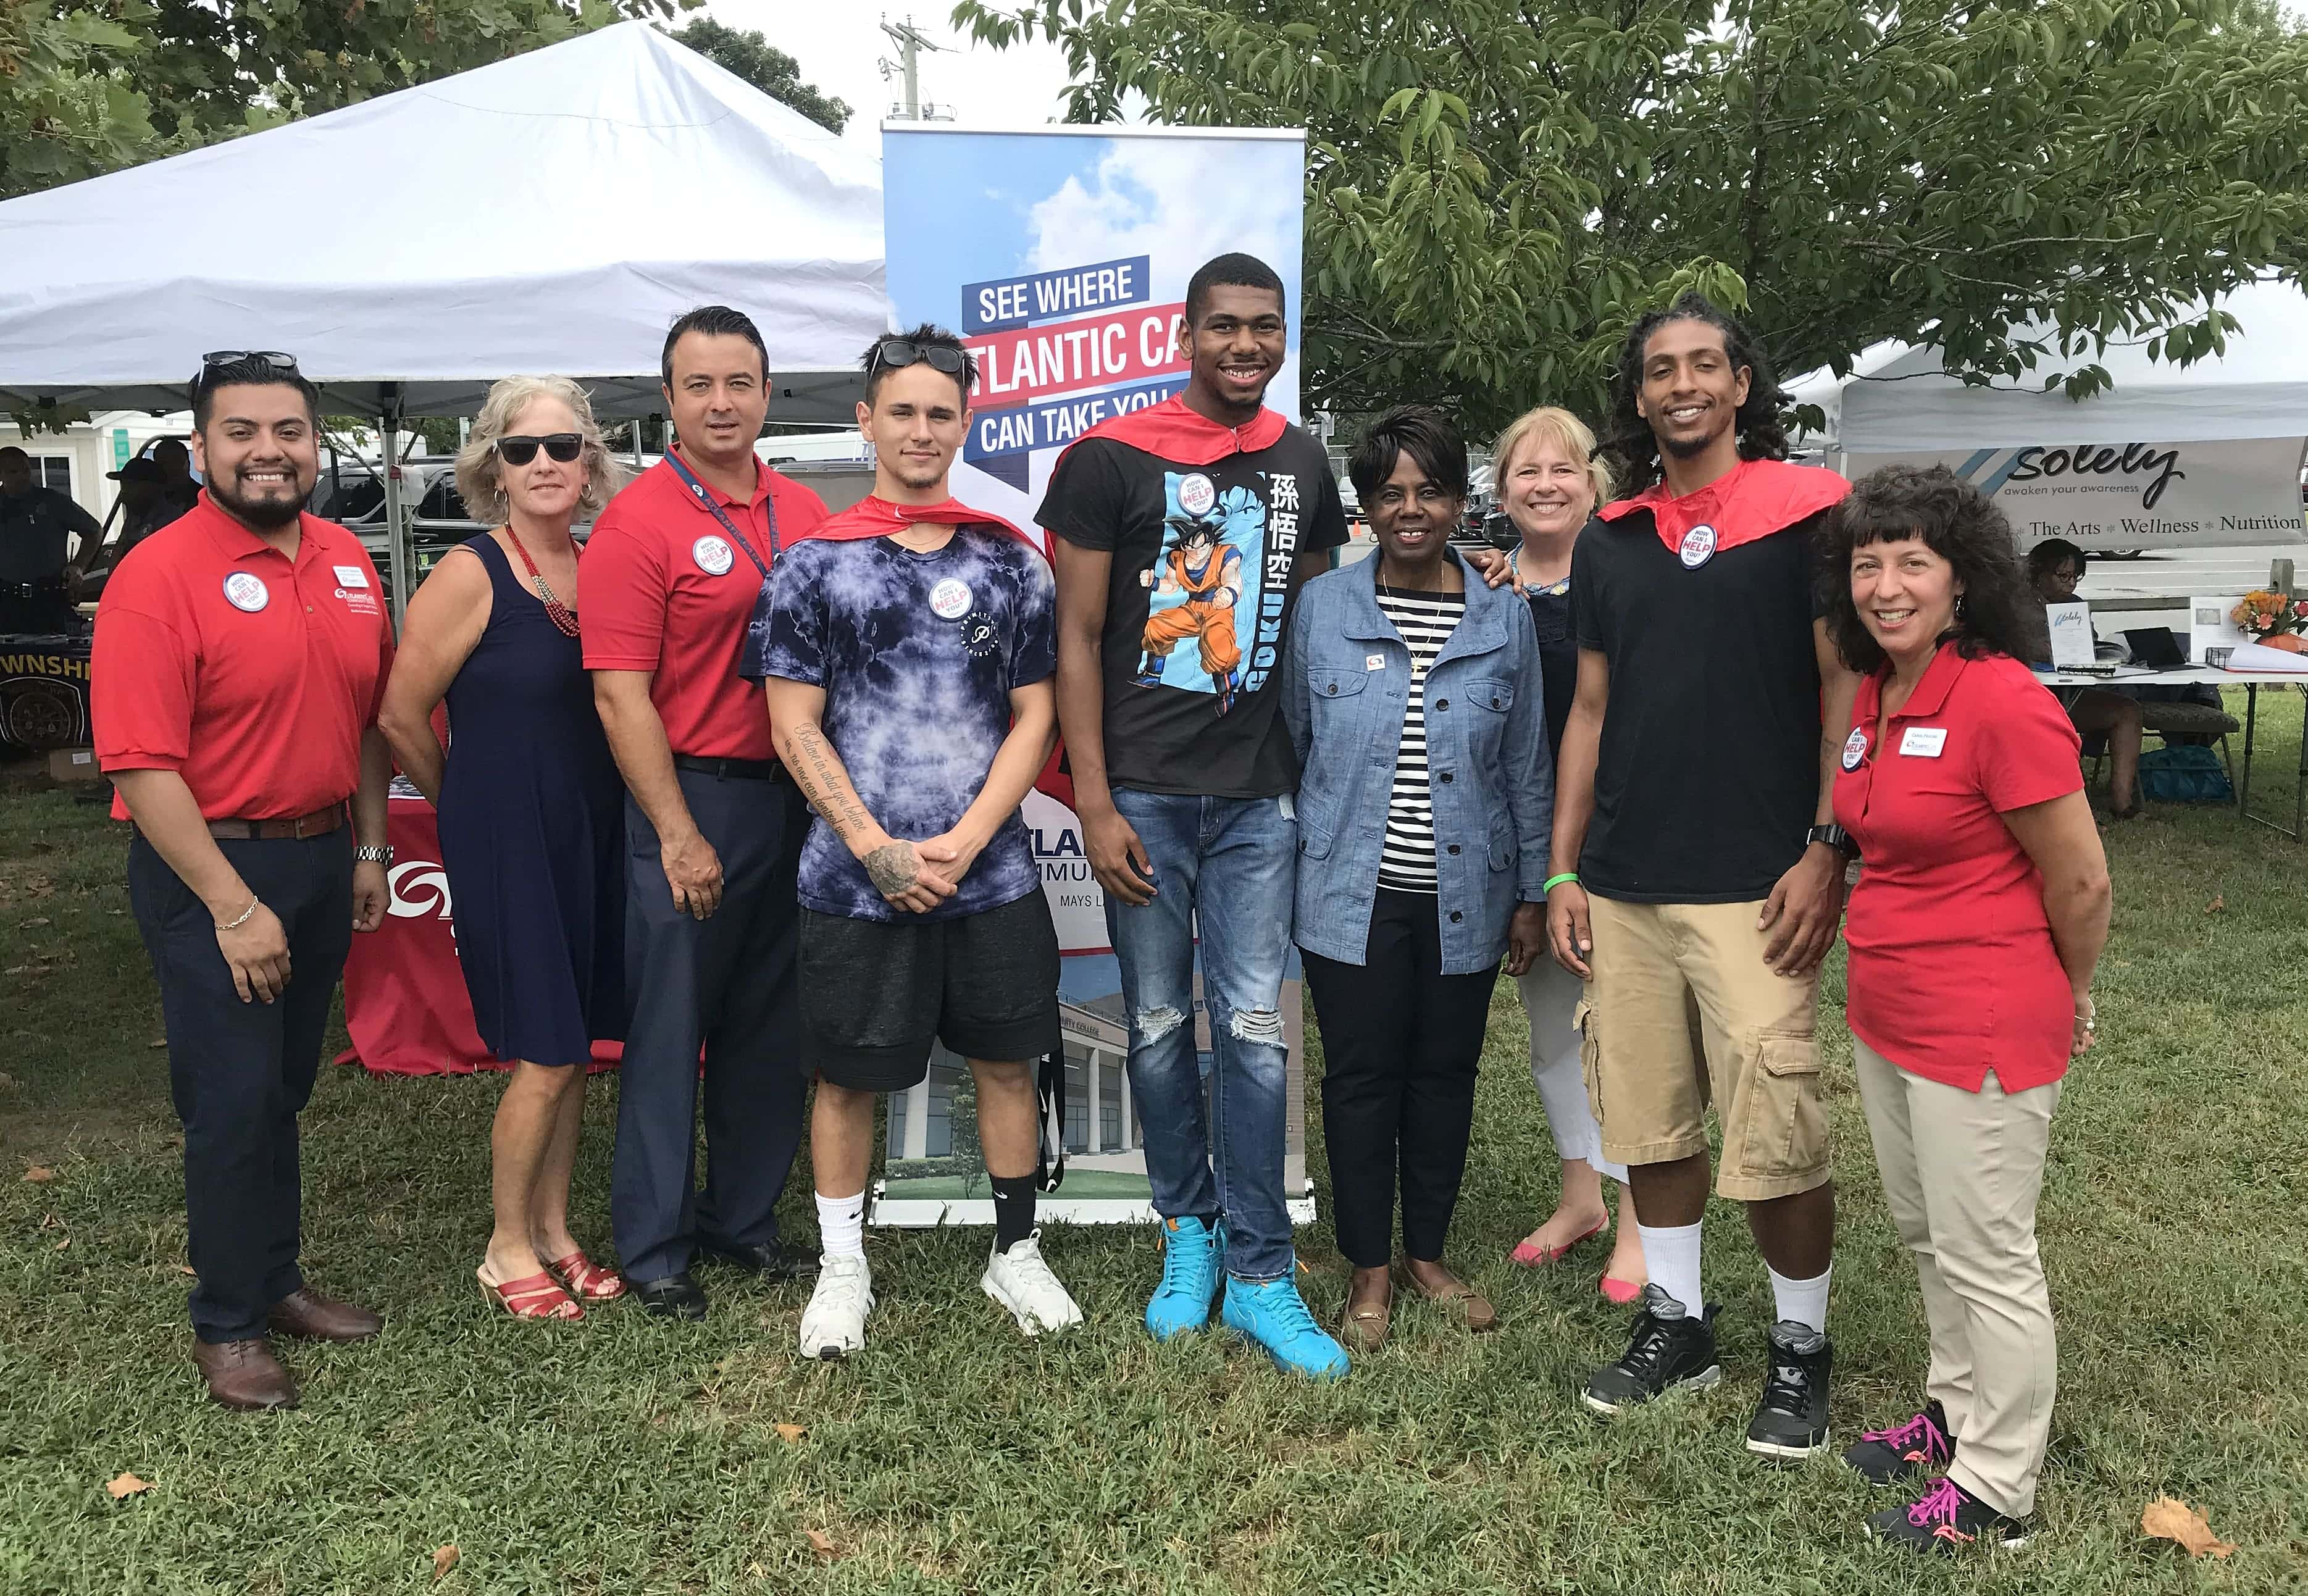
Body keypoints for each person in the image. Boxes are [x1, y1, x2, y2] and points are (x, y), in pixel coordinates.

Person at [1547, 291, 1859, 1459]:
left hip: (1756, 878)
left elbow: (1841, 690)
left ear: (1739, 386)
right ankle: (1680, 1321)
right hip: (1624, 878)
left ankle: (1800, 1346)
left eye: (1703, 366)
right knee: (1648, 1119)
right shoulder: (1609, 537)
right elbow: (1587, 711)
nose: (1680, 385)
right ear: (1636, 396)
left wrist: (1826, 846)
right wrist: (1563, 868)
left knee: (1774, 1124)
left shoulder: (1807, 516)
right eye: (1658, 370)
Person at [1038, 252, 1352, 1378]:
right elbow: (1071, 638)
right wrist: (1092, 797)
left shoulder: (1301, 462)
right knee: (1161, 1026)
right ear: (1185, 334)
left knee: (1258, 1035)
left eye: (1263, 328)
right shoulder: (1107, 459)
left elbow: (1315, 629)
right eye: (1223, 327)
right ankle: (1192, 1238)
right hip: (1143, 804)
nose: (1244, 347)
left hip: (1257, 801)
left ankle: (1263, 1274)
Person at [751, 325, 1080, 1356]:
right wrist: (875, 846)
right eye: (902, 410)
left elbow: (1038, 714)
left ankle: (1014, 1253)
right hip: (852, 883)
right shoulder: (814, 566)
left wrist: (965, 839)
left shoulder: (1009, 561)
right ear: (866, 422)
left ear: (965, 423)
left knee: (1005, 1063)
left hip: (990, 880)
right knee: (846, 1078)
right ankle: (843, 1270)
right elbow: (790, 721)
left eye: (941, 411)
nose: (921, 429)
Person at [90, 351, 395, 1410]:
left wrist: (364, 849)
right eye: (242, 433)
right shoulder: (158, 575)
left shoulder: (349, 559)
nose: (269, 451)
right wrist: (232, 906)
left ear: (316, 442)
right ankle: (225, 1322)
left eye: (289, 431)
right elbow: (138, 761)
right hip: (213, 867)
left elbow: (366, 720)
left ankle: (275, 1282)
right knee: (229, 1101)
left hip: (318, 858)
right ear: (203, 447)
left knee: (283, 1090)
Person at [1822, 464, 2109, 1552]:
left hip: (1980, 1016)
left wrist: (2067, 990)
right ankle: (1950, 1414)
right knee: (1923, 1233)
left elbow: (2078, 881)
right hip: (1887, 1012)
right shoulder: (1877, 690)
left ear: (1960, 581)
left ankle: (1997, 1486)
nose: (1886, 586)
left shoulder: (1998, 698)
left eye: (1911, 563)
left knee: (1988, 1253)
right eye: (1866, 564)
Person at [1284, 405, 1552, 1351]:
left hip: (1465, 896)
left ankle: (1427, 1252)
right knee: (1360, 1079)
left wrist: (1528, 892)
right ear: (1364, 506)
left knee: (1443, 1076)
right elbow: (1294, 746)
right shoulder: (1323, 610)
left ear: (1457, 501)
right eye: (1390, 493)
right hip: (1346, 898)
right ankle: (1366, 1263)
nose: (1411, 510)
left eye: (1430, 491)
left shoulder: (1501, 615)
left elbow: (1525, 765)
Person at [585, 306, 830, 1319]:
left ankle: (742, 1221)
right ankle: (653, 1248)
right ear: (668, 401)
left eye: (739, 383)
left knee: (769, 1027)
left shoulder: (808, 511)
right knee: (669, 1028)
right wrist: (676, 831)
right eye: (699, 386)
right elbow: (617, 692)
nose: (721, 403)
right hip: (692, 799)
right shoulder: (639, 521)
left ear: (767, 395)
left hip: (796, 803)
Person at [378, 376, 631, 1321]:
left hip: (590, 827)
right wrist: (467, 808)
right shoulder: (470, 573)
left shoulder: (599, 564)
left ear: (589, 460)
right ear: (491, 466)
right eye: (521, 450)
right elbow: (401, 715)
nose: (544, 465)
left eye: (563, 447)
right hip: (506, 836)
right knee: (544, 1046)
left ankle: (557, 1229)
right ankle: (505, 1245)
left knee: (574, 1042)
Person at [1488, 406, 1648, 1301]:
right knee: (1553, 1035)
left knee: (1624, 1038)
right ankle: (1579, 1197)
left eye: (1564, 468)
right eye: (1525, 470)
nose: (1545, 484)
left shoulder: (1626, 577)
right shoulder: (1486, 589)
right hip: (1527, 854)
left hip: (1617, 846)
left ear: (1594, 482)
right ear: (1502, 487)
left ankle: (1637, 1221)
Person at [2025, 537, 2143, 817]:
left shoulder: (2075, 604)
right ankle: (2062, 808)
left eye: (2076, 576)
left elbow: (2088, 645)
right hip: (2027, 701)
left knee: (2128, 711)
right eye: (2063, 575)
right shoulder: (2014, 606)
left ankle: (2122, 804)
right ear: (2039, 574)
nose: (2071, 584)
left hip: (2068, 696)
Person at [0, 443, 101, 631]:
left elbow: (93, 530)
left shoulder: (52, 501)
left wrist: (78, 566)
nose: (22, 476)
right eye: (13, 472)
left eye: (26, 470)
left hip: (49, 598)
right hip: (6, 601)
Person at [73, 457, 189, 599]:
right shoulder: (135, 518)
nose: (124, 493)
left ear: (151, 488)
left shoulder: (172, 521)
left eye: (130, 486)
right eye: (123, 486)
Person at [153, 437, 203, 520]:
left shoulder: (201, 499)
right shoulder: (152, 501)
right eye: (163, 463)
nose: (170, 468)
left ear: (188, 464)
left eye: (176, 462)